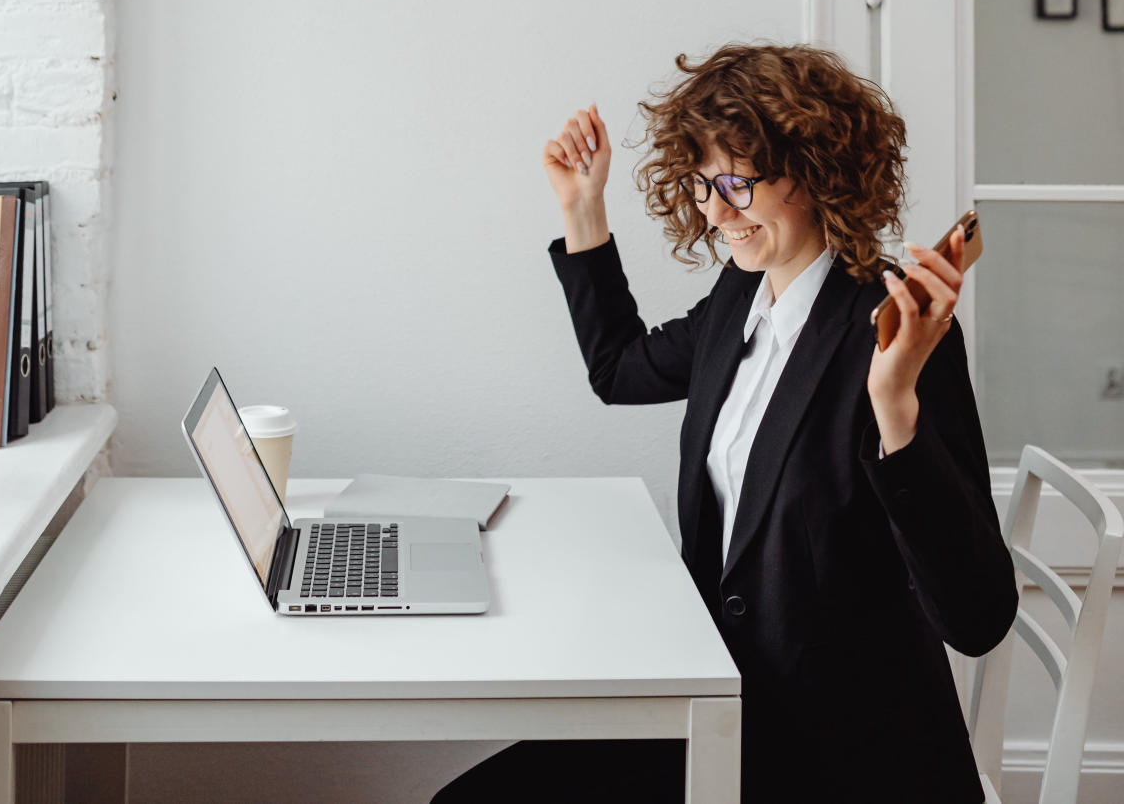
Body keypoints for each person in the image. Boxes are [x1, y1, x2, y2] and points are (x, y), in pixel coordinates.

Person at [432, 43, 1018, 803]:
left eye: (737, 183)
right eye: (704, 184)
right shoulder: (742, 298)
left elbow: (976, 615)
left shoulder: (894, 332)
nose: (714, 212)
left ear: (813, 170)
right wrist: (583, 207)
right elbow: (619, 370)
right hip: (722, 698)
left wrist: (895, 403)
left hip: (832, 749)